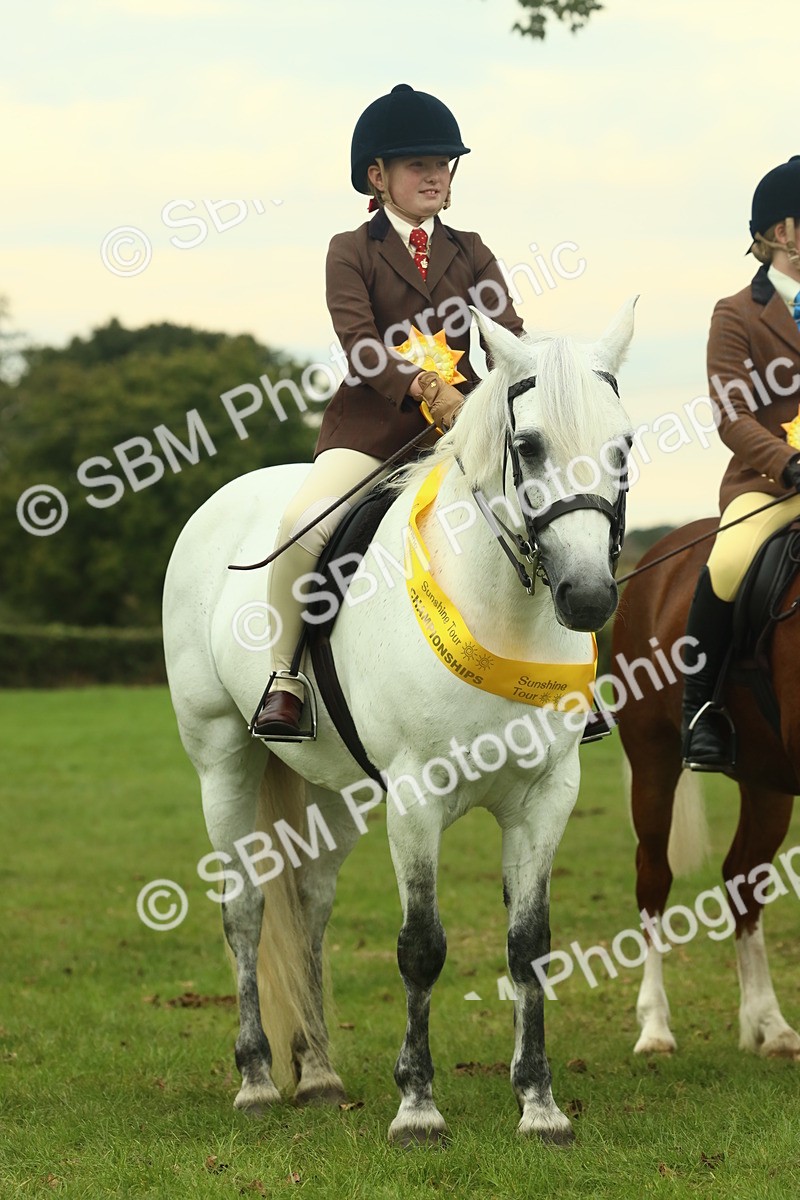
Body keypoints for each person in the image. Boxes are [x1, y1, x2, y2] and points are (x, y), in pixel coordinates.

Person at [252, 83, 525, 738]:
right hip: (372, 432)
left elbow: (507, 334)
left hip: (465, 436)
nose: (434, 176)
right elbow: (361, 348)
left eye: (442, 164)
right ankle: (284, 678)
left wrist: (515, 387)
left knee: (548, 514)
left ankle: (561, 674)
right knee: (300, 525)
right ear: (377, 177)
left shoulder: (472, 250)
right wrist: (434, 390)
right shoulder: (350, 250)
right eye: (417, 165)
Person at [681, 155, 800, 771]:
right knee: (728, 559)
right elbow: (732, 414)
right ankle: (700, 709)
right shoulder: (736, 314)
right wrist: (788, 464)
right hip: (769, 483)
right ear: (783, 234)